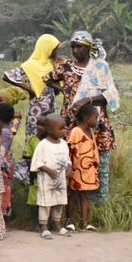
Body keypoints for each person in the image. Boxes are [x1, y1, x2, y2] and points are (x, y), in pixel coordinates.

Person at [49, 31, 118, 206]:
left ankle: (97, 205)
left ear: (88, 47)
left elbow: (110, 94)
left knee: (97, 160)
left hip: (96, 122)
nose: (74, 50)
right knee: (70, 160)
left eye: (78, 46)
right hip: (71, 122)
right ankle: (68, 205)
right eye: (72, 46)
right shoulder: (64, 66)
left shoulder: (100, 67)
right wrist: (64, 91)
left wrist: (87, 100)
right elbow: (48, 80)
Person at [30, 113, 72, 239]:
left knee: (59, 202)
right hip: (47, 180)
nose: (64, 130)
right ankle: (44, 227)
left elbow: (68, 159)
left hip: (60, 180)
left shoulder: (63, 144)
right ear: (49, 129)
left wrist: (69, 169)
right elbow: (37, 163)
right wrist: (48, 170)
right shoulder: (42, 145)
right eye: (61, 128)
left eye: (65, 127)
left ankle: (57, 225)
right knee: (46, 203)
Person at [67, 102, 101, 232]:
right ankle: (71, 222)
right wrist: (69, 169)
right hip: (77, 171)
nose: (96, 120)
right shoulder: (76, 131)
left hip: (88, 172)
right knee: (74, 195)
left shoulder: (90, 131)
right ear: (87, 118)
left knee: (85, 196)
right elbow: (70, 150)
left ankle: (86, 223)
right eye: (95, 118)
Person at [0, 101, 16, 217]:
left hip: (2, 165)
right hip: (7, 162)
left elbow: (0, 150)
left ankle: (1, 214)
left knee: (1, 189)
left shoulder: (4, 132)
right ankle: (3, 213)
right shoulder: (9, 129)